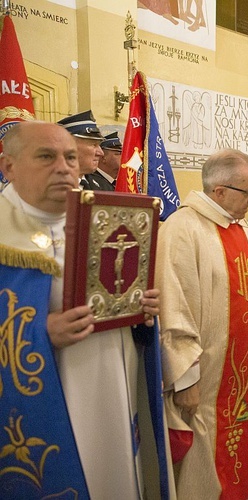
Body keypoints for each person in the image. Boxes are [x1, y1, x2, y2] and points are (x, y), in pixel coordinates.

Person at [0, 121, 170, 498]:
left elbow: (120, 296)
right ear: (8, 166)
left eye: (71, 157)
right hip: (49, 400)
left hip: (114, 383)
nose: (64, 167)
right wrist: (40, 334)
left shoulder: (105, 220)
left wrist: (141, 312)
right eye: (46, 156)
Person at [156, 149, 248, 498]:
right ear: (219, 191)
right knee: (201, 456)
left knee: (237, 444)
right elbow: (173, 307)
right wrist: (185, 379)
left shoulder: (241, 229)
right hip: (205, 378)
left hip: (238, 373)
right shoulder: (182, 229)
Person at [57, 110, 104, 189]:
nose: (101, 153)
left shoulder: (101, 186)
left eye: (99, 145)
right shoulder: (47, 187)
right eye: (94, 145)